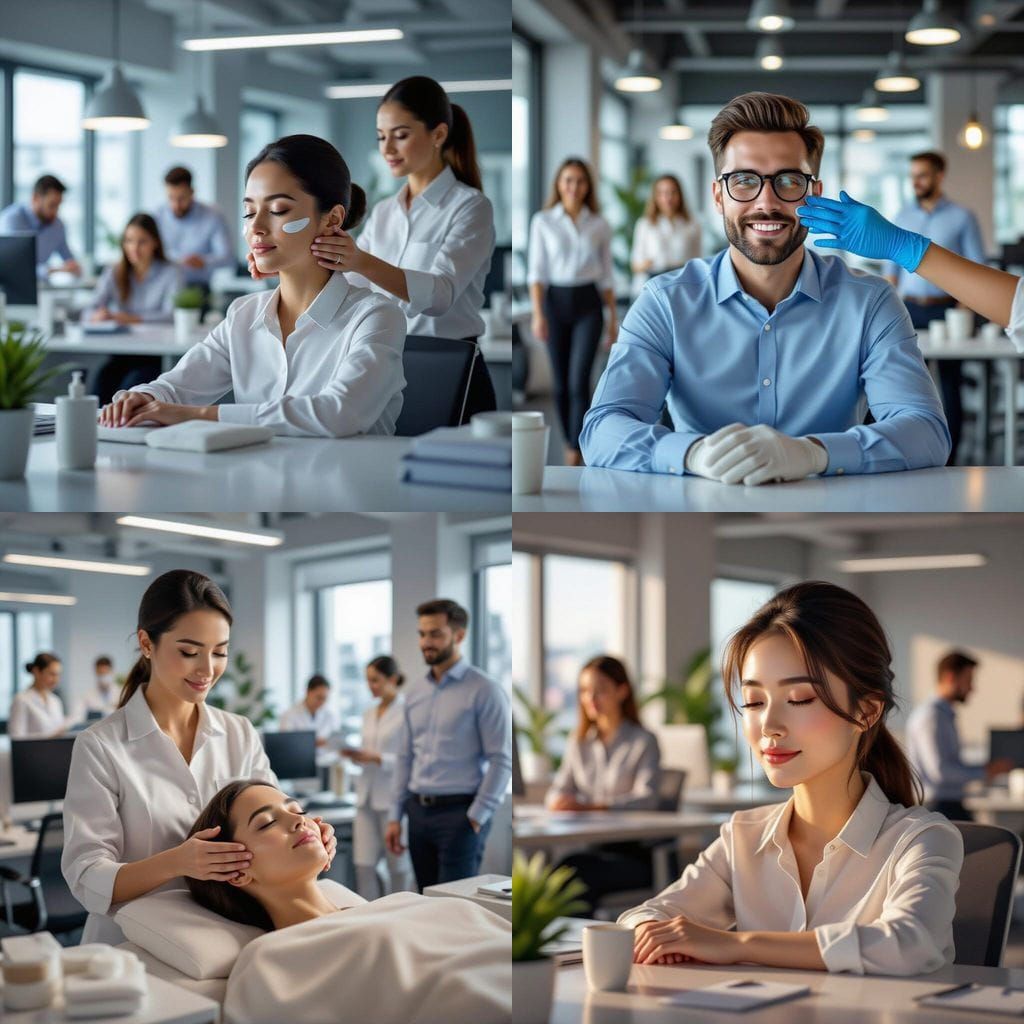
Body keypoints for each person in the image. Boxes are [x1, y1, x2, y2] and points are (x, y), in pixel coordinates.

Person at [580, 92, 950, 481]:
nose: (766, 202)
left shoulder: (870, 302)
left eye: (789, 180)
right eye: (744, 181)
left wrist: (814, 454)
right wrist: (692, 454)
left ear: (815, 194)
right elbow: (602, 430)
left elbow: (926, 432)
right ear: (719, 196)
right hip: (696, 524)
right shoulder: (666, 301)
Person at [618, 581, 964, 976]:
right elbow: (644, 916)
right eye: (753, 701)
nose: (769, 725)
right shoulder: (743, 837)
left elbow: (908, 943)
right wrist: (653, 932)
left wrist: (736, 945)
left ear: (867, 712)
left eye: (799, 699)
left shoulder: (921, 838)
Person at [61, 569, 337, 944]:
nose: (207, 670)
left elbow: (277, 818)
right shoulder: (101, 746)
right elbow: (86, 878)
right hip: (134, 948)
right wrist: (178, 861)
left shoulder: (238, 732)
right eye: (189, 652)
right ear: (146, 643)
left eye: (220, 652)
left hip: (228, 941)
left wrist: (311, 835)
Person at [98, 135, 406, 438]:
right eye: (249, 211)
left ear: (331, 219)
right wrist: (145, 397)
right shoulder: (244, 314)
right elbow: (177, 386)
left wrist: (196, 416)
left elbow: (339, 413)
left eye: (278, 210)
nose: (255, 227)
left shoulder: (376, 317)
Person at [248, 77, 499, 420]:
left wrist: (360, 261)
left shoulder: (471, 207)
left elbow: (440, 296)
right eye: (382, 137)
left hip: (451, 364)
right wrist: (281, 260)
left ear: (438, 135)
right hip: (380, 355)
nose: (388, 148)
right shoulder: (385, 212)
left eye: (401, 135)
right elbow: (349, 283)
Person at [184, 780, 511, 1024]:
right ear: (236, 872)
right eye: (267, 822)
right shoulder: (269, 962)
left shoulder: (403, 902)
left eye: (300, 811)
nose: (299, 821)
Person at [796, 189, 1024, 352]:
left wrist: (901, 246)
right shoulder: (903, 214)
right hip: (911, 305)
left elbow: (1018, 308)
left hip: (945, 306)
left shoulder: (961, 215)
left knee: (949, 378)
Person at [385, 599, 511, 890]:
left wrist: (477, 817)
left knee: (455, 908)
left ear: (459, 635)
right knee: (426, 900)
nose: (426, 642)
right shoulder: (415, 692)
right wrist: (396, 815)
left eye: (435, 634)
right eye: (422, 634)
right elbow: (405, 756)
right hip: (418, 812)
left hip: (460, 815)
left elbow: (501, 759)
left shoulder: (485, 689)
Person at [545, 655, 661, 916]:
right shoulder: (580, 742)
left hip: (633, 856)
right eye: (585, 691)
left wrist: (593, 806)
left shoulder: (643, 741)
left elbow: (648, 800)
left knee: (577, 874)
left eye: (600, 691)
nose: (590, 699)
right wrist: (559, 801)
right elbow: (558, 790)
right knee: (555, 874)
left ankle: (578, 949)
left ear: (622, 691)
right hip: (590, 848)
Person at [528, 158, 617, 466]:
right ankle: (569, 439)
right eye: (568, 180)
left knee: (580, 380)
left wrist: (613, 319)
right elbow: (536, 273)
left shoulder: (600, 224)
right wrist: (538, 314)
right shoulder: (542, 221)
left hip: (589, 304)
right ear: (558, 183)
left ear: (587, 185)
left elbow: (607, 275)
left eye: (580, 180)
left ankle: (576, 447)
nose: (573, 186)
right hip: (555, 303)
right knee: (561, 383)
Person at [904, 649, 1013, 821]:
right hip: (939, 807)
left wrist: (987, 769)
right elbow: (940, 772)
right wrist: (985, 772)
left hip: (948, 805)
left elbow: (951, 765)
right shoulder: (932, 716)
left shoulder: (943, 715)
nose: (972, 688)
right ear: (950, 678)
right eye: (968, 680)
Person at [87, 213, 183, 403]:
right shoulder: (114, 271)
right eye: (129, 241)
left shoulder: (172, 272)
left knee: (129, 389)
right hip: (121, 354)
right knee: (100, 385)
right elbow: (89, 310)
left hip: (154, 355)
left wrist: (129, 318)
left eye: (142, 242)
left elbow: (171, 315)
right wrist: (98, 315)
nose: (134, 248)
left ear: (155, 242)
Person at [344, 655, 414, 898]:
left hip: (392, 799)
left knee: (398, 869)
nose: (370, 686)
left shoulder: (407, 711)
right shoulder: (368, 713)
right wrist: (356, 756)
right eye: (368, 681)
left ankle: (400, 916)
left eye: (375, 680)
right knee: (363, 866)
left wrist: (377, 758)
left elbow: (410, 760)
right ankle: (368, 917)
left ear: (392, 679)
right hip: (365, 797)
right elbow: (369, 751)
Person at [154, 166, 233, 309]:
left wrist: (203, 261)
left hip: (198, 290)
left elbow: (227, 257)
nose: (176, 205)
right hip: (163, 287)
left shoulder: (213, 216)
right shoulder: (158, 216)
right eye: (171, 198)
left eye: (181, 198)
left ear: (192, 192)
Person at [631, 174, 702, 294]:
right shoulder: (645, 224)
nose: (668, 198)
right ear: (655, 197)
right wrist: (654, 261)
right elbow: (635, 266)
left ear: (680, 195)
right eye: (662, 193)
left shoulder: (692, 224)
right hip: (653, 281)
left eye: (673, 192)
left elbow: (698, 261)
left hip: (682, 284)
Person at [0, 174, 81, 280]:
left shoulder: (57, 225)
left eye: (58, 206)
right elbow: (15, 267)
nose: (55, 212)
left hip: (40, 288)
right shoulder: (12, 220)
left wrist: (74, 268)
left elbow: (70, 260)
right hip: (10, 287)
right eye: (52, 205)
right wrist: (51, 270)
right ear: (35, 198)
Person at [9, 652, 67, 738]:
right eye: (52, 674)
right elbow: (16, 738)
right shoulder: (21, 700)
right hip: (32, 751)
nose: (56, 680)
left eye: (58, 675)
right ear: (37, 672)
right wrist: (49, 737)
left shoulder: (56, 701)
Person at [279, 675, 339, 747]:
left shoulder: (330, 715)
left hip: (327, 757)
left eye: (325, 698)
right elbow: (286, 743)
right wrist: (314, 742)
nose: (322, 702)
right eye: (319, 697)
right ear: (308, 692)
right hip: (300, 757)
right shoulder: (289, 715)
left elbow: (336, 742)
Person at [77, 655, 121, 720]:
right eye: (100, 673)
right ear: (96, 672)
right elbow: (78, 716)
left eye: (106, 673)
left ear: (111, 672)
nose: (103, 676)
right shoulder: (87, 696)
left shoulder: (121, 693)